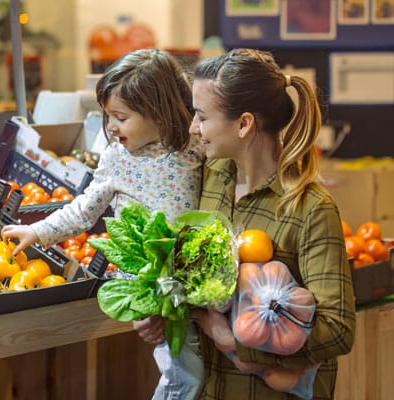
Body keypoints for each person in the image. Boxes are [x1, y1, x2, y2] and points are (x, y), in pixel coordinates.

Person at [133, 48, 356, 399]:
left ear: (244, 123)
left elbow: (338, 330)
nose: (193, 128)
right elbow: (202, 284)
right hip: (210, 389)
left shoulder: (309, 207)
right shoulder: (212, 176)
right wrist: (165, 310)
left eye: (202, 117)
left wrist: (233, 340)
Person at [1, 48, 206, 399]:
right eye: (107, 115)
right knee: (183, 373)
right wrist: (38, 231)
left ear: (158, 112)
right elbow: (84, 209)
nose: (110, 126)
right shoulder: (117, 159)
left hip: (192, 275)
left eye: (120, 117)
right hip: (149, 280)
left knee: (196, 367)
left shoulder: (193, 146)